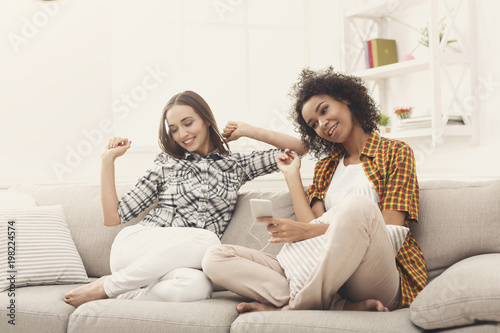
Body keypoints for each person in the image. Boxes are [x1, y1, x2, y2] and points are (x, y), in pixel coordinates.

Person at [202, 67, 427, 313]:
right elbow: (312, 230)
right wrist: (291, 175)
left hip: (377, 275)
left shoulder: (395, 152)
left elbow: (388, 228)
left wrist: (308, 230)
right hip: (330, 273)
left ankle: (296, 305)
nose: (322, 124)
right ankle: (337, 305)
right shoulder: (325, 168)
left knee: (358, 206)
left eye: (324, 110)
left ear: (346, 99)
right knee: (215, 258)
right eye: (314, 124)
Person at [63, 90, 307, 308]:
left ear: (206, 120)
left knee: (199, 286)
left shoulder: (235, 166)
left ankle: (120, 294)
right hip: (137, 247)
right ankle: (106, 287)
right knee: (208, 240)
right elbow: (112, 217)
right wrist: (108, 161)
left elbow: (299, 148)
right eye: (174, 129)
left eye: (188, 123)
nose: (182, 134)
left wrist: (249, 131)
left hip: (177, 266)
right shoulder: (166, 165)